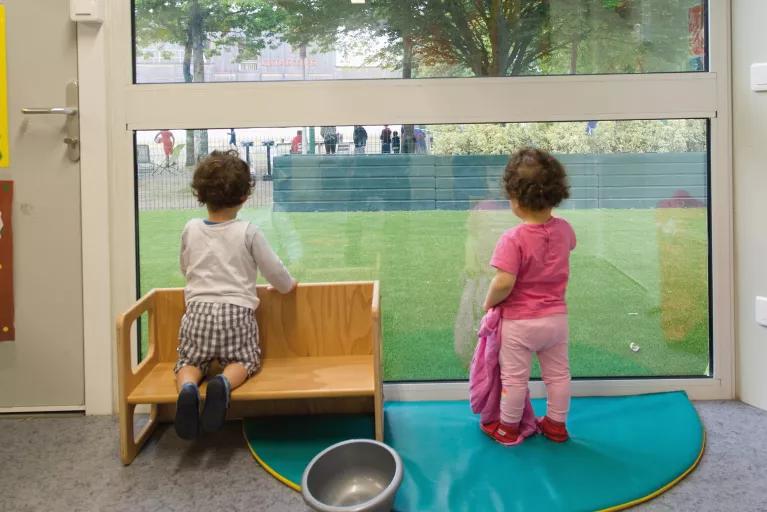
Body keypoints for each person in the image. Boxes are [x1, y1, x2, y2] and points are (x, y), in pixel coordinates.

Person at [174, 150, 297, 440]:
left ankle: (189, 388)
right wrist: (288, 286)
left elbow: (185, 266)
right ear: (244, 197)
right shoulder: (248, 231)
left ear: (201, 195)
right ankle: (224, 384)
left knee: (189, 361)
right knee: (244, 361)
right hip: (236, 313)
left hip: (198, 313)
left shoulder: (191, 229)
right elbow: (274, 270)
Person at [481, 147, 576, 446]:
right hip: (556, 320)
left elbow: (504, 281)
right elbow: (566, 246)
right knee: (558, 376)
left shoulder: (513, 239)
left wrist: (489, 303)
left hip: (520, 324)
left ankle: (508, 429)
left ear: (517, 200)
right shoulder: (565, 231)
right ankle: (556, 425)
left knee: (514, 379)